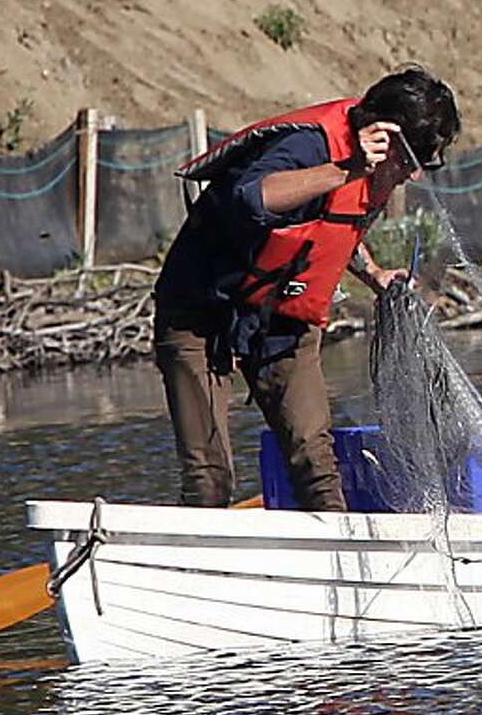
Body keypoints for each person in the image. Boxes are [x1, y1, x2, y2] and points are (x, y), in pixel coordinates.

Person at [153, 65, 461, 511]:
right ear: (385, 137)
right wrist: (347, 168)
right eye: (412, 162)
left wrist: (373, 275)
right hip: (202, 315)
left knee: (317, 465)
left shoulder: (377, 172)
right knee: (210, 478)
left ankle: (336, 564)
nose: (413, 177)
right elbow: (251, 197)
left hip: (284, 322)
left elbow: (332, 226)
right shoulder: (312, 146)